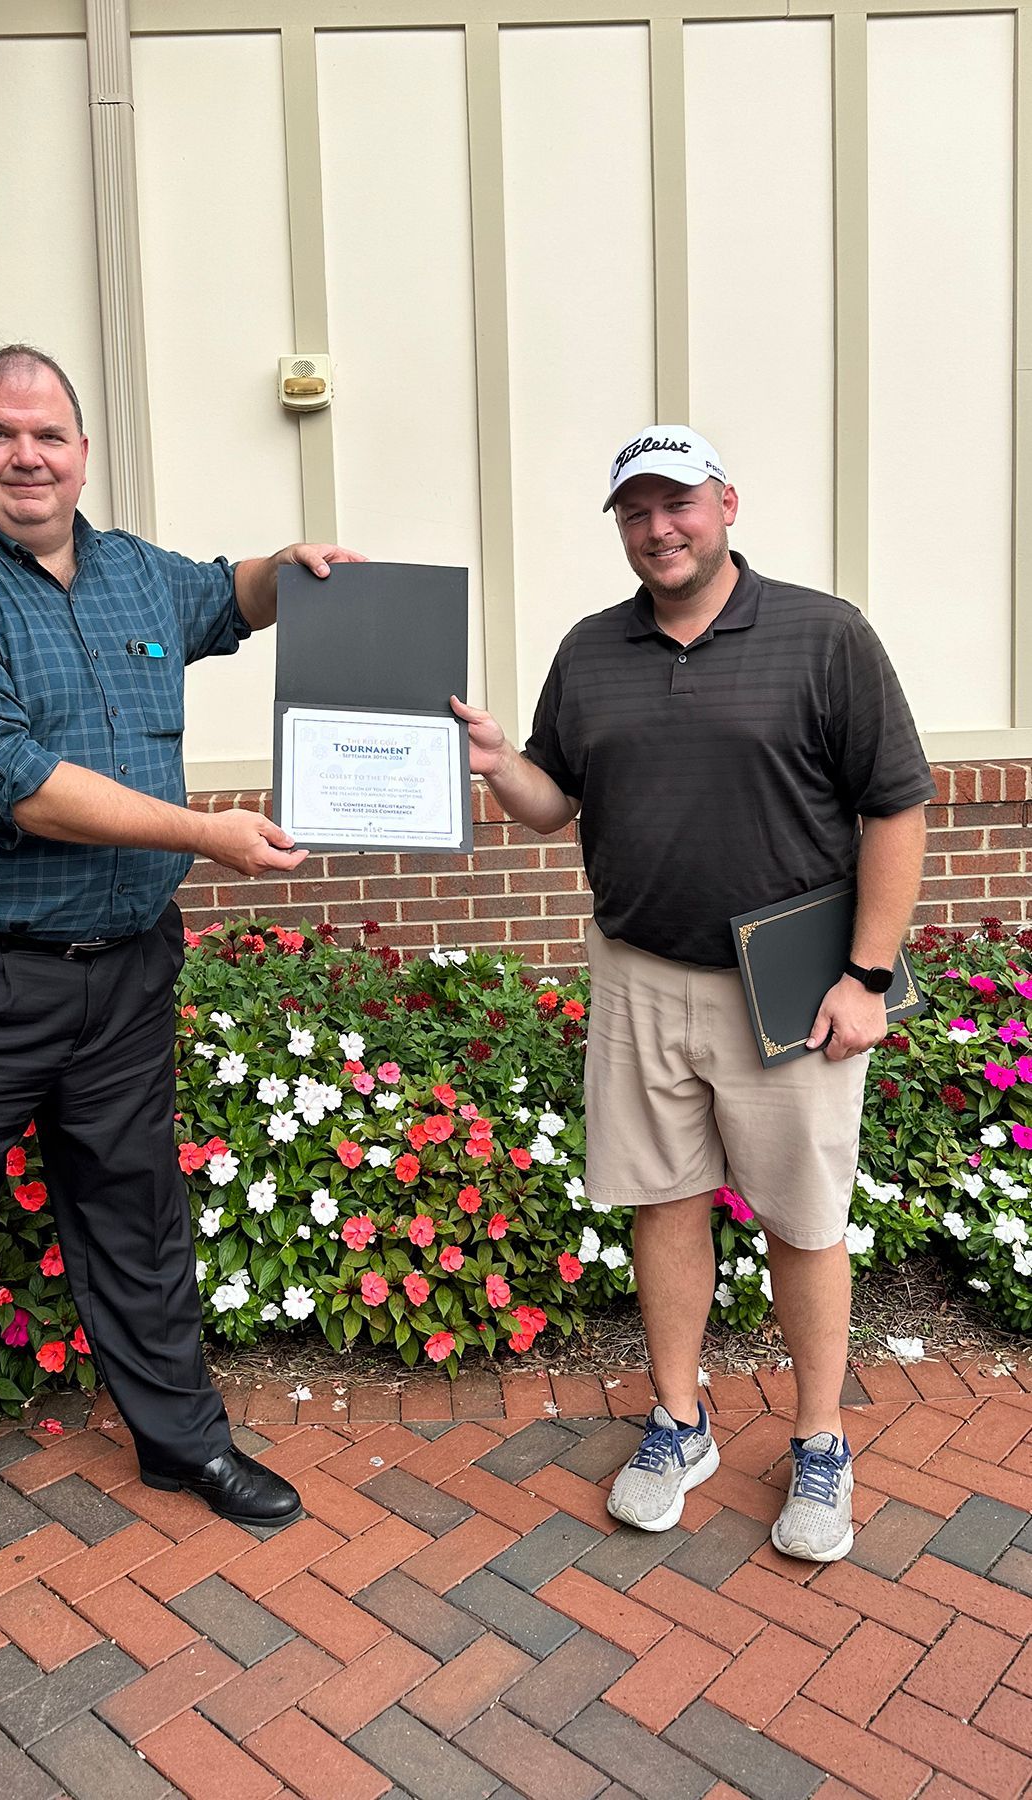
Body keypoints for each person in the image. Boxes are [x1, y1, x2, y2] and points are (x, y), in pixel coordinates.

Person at [0, 343, 363, 1659]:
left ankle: (182, 1445)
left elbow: (221, 598)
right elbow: (14, 781)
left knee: (135, 1213)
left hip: (122, 972)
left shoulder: (130, 570)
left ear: (83, 450)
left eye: (50, 435)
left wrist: (296, 578)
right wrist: (206, 833)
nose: (27, 456)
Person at [452, 426, 931, 1564]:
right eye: (635, 511)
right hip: (639, 975)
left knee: (804, 1223)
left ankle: (819, 1441)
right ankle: (681, 1421)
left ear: (726, 504)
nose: (658, 528)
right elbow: (553, 800)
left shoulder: (824, 634)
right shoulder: (591, 649)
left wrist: (867, 978)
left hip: (793, 986)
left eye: (678, 504)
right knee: (663, 1203)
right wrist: (492, 759)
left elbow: (897, 807)